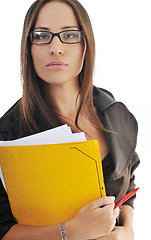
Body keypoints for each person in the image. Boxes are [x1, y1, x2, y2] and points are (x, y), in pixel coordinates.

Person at [0, 0, 140, 239]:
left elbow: (128, 182)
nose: (56, 48)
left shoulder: (111, 109)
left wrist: (127, 230)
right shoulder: (9, 134)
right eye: (42, 36)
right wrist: (69, 232)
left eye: (70, 35)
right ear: (29, 47)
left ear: (86, 45)